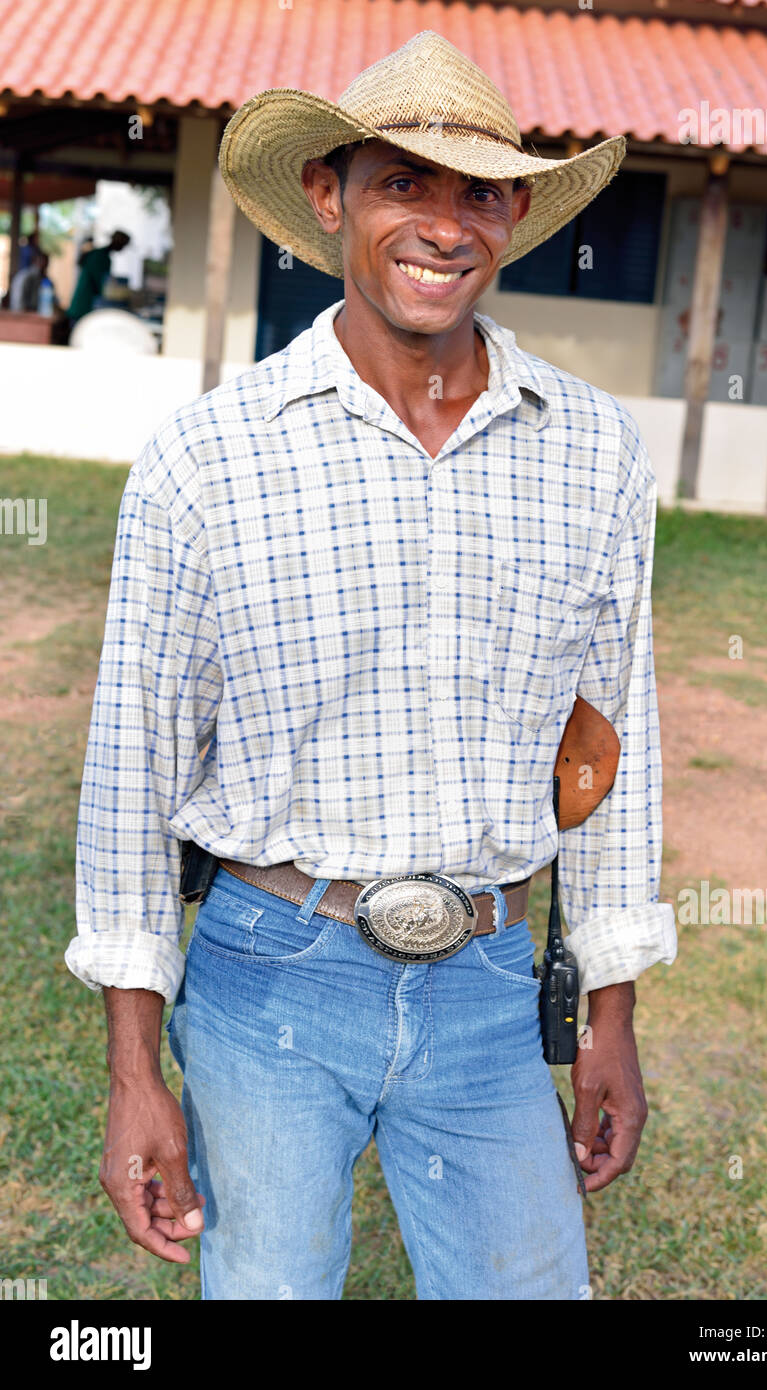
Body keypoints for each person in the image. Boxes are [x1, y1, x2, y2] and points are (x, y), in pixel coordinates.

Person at [67, 30, 677, 1300]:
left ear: (513, 215)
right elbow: (131, 770)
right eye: (404, 182)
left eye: (479, 192)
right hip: (267, 980)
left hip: (490, 991)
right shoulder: (207, 460)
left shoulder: (595, 453)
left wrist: (607, 1011)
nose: (443, 227)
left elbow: (609, 745)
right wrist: (135, 1071)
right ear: (331, 196)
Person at [66, 229, 130, 324]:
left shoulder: (103, 256)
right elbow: (100, 284)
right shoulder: (100, 256)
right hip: (83, 305)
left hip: (87, 306)